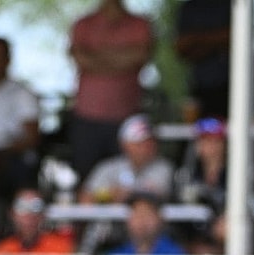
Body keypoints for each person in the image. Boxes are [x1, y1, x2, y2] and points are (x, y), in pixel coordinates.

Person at [67, 0, 154, 184]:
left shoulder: (139, 24)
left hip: (126, 117)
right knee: (85, 178)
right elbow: (80, 58)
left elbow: (139, 56)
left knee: (130, 179)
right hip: (87, 117)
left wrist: (97, 56)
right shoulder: (83, 24)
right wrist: (121, 57)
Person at [0, 37, 41, 237]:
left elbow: (32, 137)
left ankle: (15, 235)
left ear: (7, 60)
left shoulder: (21, 93)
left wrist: (3, 152)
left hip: (12, 156)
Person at [78, 113, 174, 204]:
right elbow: (85, 199)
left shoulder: (163, 167)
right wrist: (109, 195)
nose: (147, 147)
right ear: (125, 144)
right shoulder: (108, 167)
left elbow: (154, 196)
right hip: (107, 221)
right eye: (140, 143)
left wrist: (120, 195)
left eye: (150, 141)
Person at [174, 117, 228, 255]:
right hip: (193, 246)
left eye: (216, 141)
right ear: (197, 145)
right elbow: (180, 216)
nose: (211, 147)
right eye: (205, 141)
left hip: (229, 243)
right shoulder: (184, 176)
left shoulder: (238, 176)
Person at [174, 0, 231, 120]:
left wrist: (198, 41)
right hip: (200, 88)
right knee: (201, 133)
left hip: (232, 89)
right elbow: (181, 47)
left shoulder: (232, 5)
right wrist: (217, 40)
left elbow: (235, 37)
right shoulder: (190, 7)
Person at [104, 191, 186, 255]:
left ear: (160, 219)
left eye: (148, 214)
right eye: (137, 214)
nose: (142, 221)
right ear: (128, 221)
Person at [0, 188, 75, 255]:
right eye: (22, 207)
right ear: (12, 214)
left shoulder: (61, 249)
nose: (29, 215)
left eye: (36, 207)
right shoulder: (2, 252)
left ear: (43, 214)